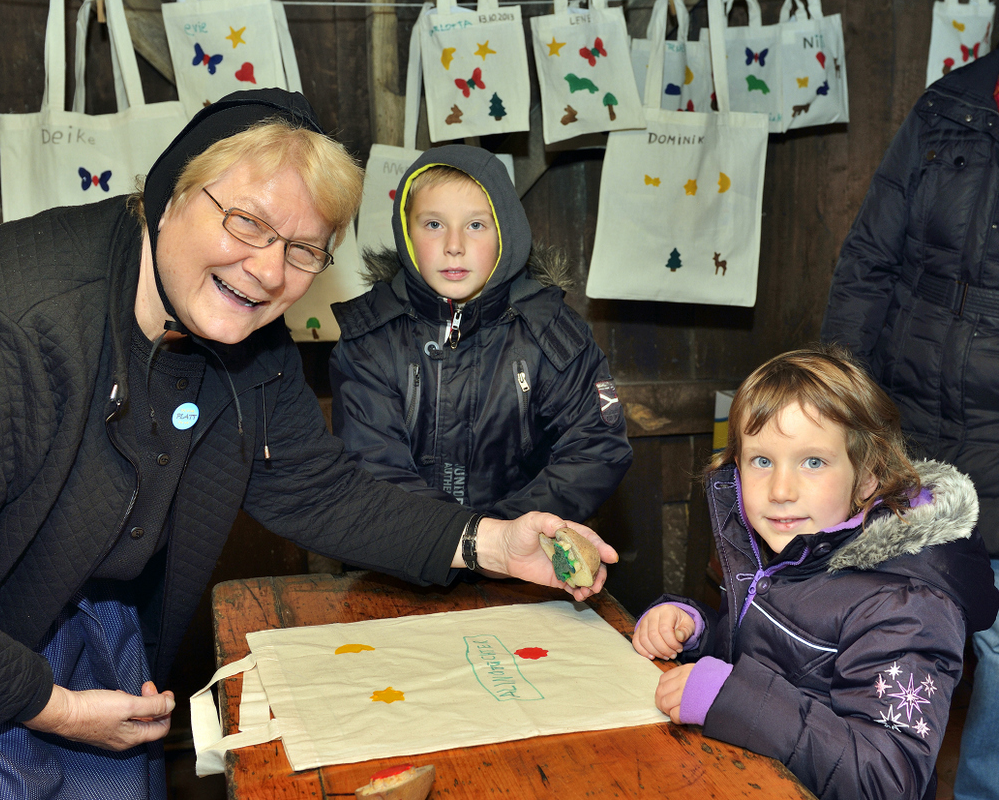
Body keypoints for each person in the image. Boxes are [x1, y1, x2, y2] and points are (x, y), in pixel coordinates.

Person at [0, 90, 618, 800]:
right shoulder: (0, 330)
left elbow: (319, 492)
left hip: (44, 607)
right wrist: (54, 706)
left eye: (304, 251)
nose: (269, 271)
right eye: (247, 223)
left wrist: (497, 542)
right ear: (167, 194)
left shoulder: (245, 344)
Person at [631, 346, 999, 800]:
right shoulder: (793, 547)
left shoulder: (910, 608)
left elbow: (885, 778)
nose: (781, 490)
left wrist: (732, 699)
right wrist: (694, 630)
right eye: (761, 461)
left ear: (867, 477)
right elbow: (767, 659)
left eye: (813, 462)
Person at [819, 50, 999, 800]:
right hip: (909, 434)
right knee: (890, 641)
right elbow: (869, 261)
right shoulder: (949, 103)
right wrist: (839, 413)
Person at [329, 145, 632, 521]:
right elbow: (372, 469)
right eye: (434, 224)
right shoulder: (370, 339)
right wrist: (467, 542)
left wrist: (502, 538)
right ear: (407, 235)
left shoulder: (550, 334)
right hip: (398, 557)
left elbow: (596, 449)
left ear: (506, 233)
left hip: (525, 556)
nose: (454, 246)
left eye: (476, 225)